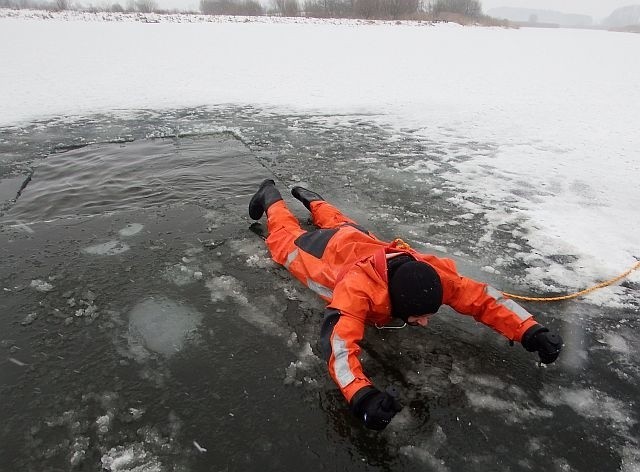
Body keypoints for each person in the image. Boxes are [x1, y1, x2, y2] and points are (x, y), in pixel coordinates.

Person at [249, 179, 563, 431]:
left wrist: (531, 331)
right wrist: (361, 395)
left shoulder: (431, 274)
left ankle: (311, 197)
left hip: (358, 240)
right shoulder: (357, 291)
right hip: (325, 254)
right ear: (396, 303)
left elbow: (482, 297)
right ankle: (271, 194)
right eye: (419, 316)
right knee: (284, 237)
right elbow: (338, 345)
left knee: (342, 223)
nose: (425, 322)